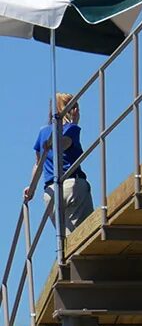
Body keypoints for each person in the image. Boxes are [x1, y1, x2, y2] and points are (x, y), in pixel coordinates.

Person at [23, 92, 94, 233]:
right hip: (73, 185)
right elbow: (63, 144)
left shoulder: (44, 132)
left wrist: (31, 189)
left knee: (65, 239)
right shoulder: (71, 129)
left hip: (51, 192)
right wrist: (74, 124)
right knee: (83, 234)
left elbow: (38, 164)